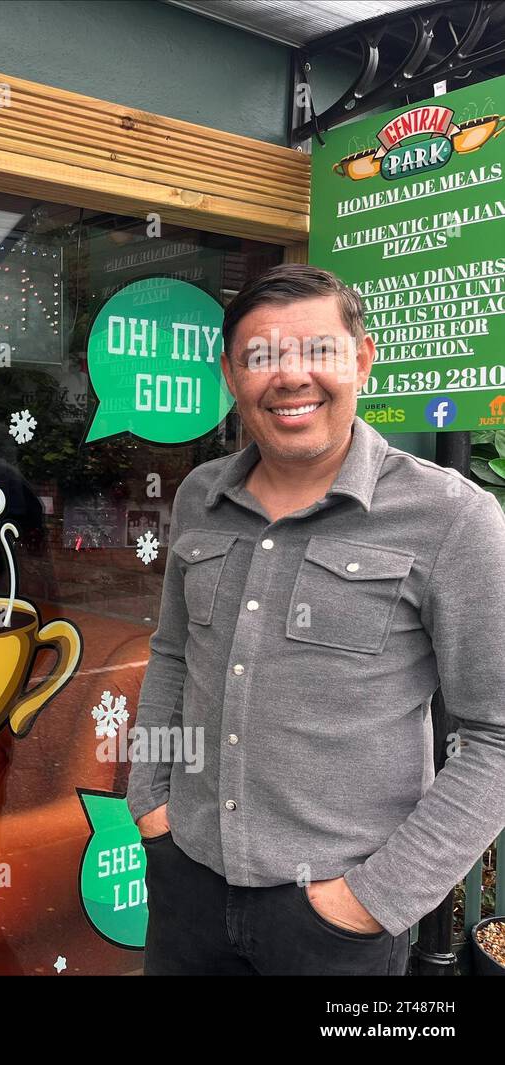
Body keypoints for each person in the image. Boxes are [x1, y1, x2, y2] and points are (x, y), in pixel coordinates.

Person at [126, 263, 505, 975]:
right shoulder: (200, 496)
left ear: (361, 360)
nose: (291, 375)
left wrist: (373, 899)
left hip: (336, 921)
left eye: (318, 350)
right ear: (231, 375)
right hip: (187, 885)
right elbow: (173, 654)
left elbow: (497, 735)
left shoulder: (452, 517)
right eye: (260, 356)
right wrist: (150, 799)